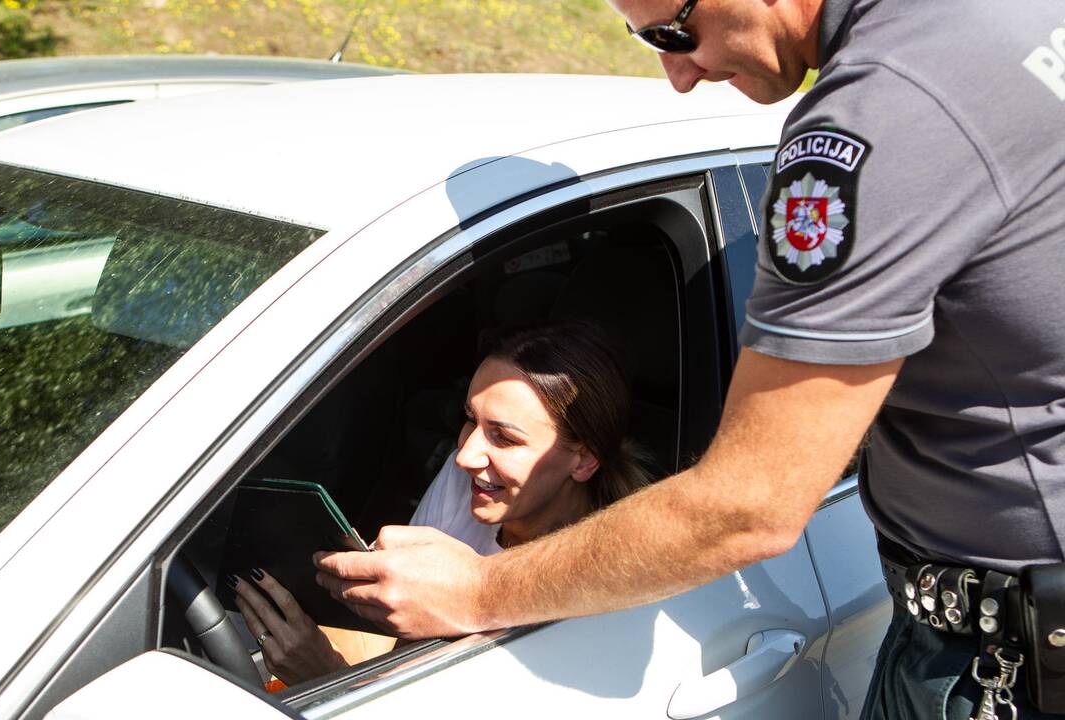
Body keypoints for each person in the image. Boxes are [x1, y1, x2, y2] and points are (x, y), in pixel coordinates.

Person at [312, 2, 1065, 718]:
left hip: (1007, 657)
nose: (679, 74)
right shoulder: (1005, 20)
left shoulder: (883, 119)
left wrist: (476, 594)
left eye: (675, 32)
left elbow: (750, 506)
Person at [228, 321, 651, 685]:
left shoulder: (600, 597)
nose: (466, 456)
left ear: (584, 459)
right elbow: (400, 643)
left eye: (504, 437)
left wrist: (324, 677)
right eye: (471, 419)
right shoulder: (468, 479)